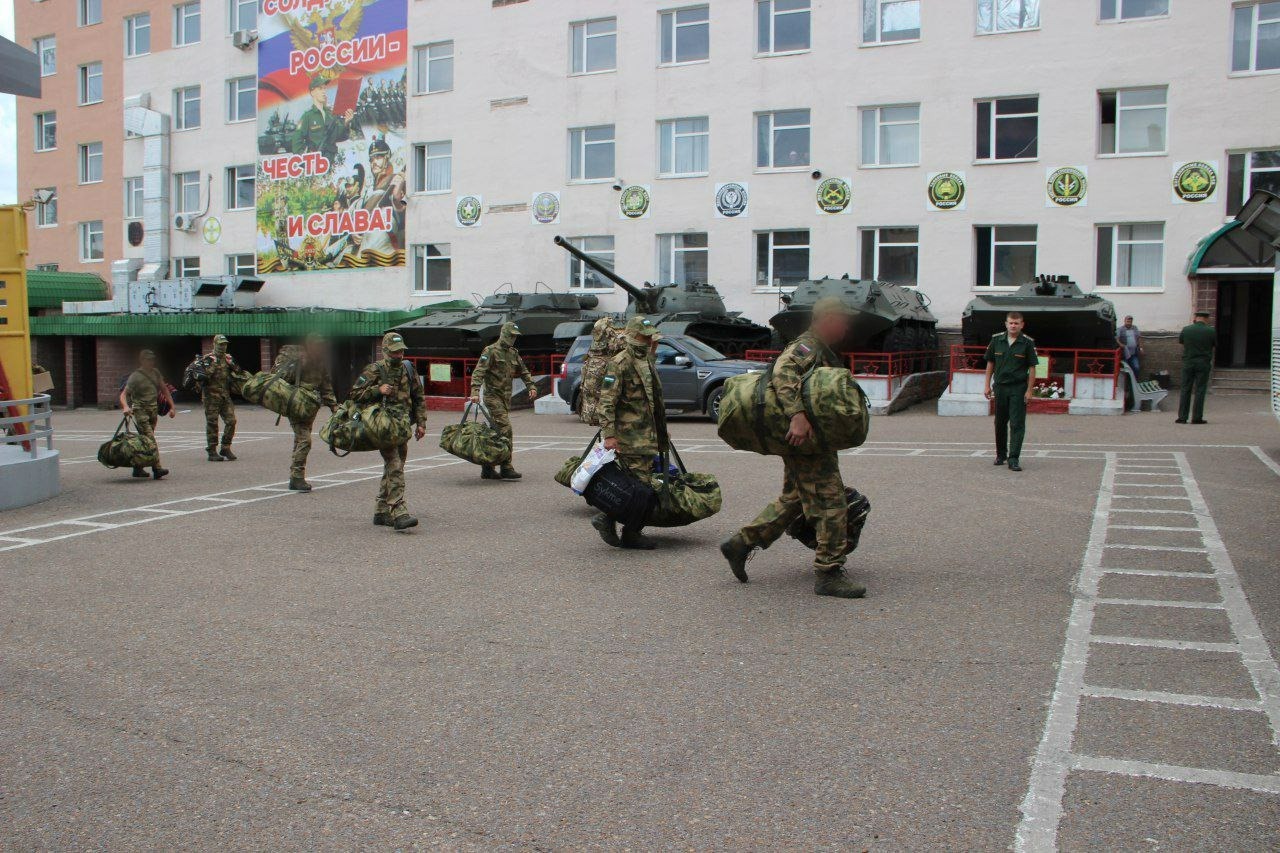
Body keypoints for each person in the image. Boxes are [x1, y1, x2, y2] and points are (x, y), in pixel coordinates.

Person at [719, 297, 866, 600]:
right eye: (843, 321)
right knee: (830, 501)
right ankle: (829, 573)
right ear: (828, 319)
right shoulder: (807, 346)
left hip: (808, 439)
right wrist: (797, 415)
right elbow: (783, 371)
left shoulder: (820, 348)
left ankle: (741, 544)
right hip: (804, 440)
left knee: (794, 498)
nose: (846, 327)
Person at [593, 317, 667, 550]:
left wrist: (661, 432)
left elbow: (653, 399)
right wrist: (609, 435)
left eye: (651, 336)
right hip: (629, 438)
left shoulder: (645, 360)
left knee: (637, 487)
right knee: (640, 488)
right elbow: (606, 402)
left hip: (647, 436)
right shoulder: (619, 363)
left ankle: (610, 520)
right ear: (634, 336)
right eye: (645, 336)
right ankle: (627, 531)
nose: (649, 340)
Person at [350, 332, 428, 531]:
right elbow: (354, 394)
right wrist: (378, 390)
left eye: (401, 351)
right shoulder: (375, 370)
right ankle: (399, 511)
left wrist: (421, 423)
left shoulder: (408, 369)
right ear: (384, 351)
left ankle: (381, 510)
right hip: (383, 427)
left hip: (402, 427)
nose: (398, 355)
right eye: (394, 352)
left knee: (395, 466)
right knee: (394, 464)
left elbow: (418, 397)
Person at [469, 322, 538, 480]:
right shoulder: (490, 351)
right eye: (511, 335)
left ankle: (487, 467)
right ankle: (506, 467)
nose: (513, 339)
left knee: (494, 432)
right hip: (492, 397)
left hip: (505, 398)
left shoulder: (513, 353)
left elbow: (524, 371)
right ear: (504, 334)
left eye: (515, 336)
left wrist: (531, 386)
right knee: (506, 429)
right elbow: (479, 372)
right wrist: (475, 391)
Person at [983, 312, 1039, 472]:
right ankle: (1001, 455)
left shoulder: (1027, 343)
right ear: (1006, 324)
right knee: (1000, 422)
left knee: (1017, 423)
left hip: (1018, 388)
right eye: (1011, 323)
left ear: (1022, 325)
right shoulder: (996, 340)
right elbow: (990, 364)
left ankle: (1013, 458)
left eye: (1016, 323)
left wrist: (1029, 390)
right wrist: (987, 385)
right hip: (1000, 387)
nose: (1013, 325)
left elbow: (1032, 368)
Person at [284, 335, 338, 491]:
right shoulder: (300, 360)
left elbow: (326, 386)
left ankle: (295, 474)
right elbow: (283, 380)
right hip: (296, 405)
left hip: (309, 407)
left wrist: (334, 406)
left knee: (300, 440)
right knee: (305, 440)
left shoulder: (320, 363)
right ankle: (297, 477)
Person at [118, 349, 173, 480]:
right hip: (140, 410)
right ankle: (157, 468)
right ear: (142, 360)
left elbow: (164, 389)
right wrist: (126, 407)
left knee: (144, 440)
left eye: (152, 359)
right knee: (150, 439)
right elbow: (123, 394)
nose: (151, 362)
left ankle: (138, 468)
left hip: (153, 410)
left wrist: (172, 407)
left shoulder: (156, 373)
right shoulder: (135, 376)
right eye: (148, 360)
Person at [291, 75, 354, 165]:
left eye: (324, 88)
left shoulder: (331, 115)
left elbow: (340, 136)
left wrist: (346, 123)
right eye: (320, 89)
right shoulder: (307, 116)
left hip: (332, 161)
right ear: (312, 92)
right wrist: (304, 161)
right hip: (316, 163)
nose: (324, 91)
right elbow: (296, 142)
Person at [578, 316, 626, 426]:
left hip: (590, 411)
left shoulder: (592, 358)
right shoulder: (607, 364)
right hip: (603, 412)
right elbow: (608, 389)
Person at [200, 334, 238, 462]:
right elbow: (204, 376)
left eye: (225, 344)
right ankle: (212, 450)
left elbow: (238, 372)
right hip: (211, 397)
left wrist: (231, 364)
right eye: (221, 344)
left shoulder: (227, 358)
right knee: (212, 423)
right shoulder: (208, 359)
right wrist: (215, 363)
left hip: (224, 396)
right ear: (214, 344)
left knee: (231, 421)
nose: (223, 347)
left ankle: (225, 447)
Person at [1176, 310, 1216, 425]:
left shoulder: (1186, 329)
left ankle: (1182, 417)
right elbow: (1214, 344)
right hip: (1203, 363)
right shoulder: (1211, 330)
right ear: (1206, 318)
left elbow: (1182, 342)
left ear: (1196, 318)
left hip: (1188, 362)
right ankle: (1197, 417)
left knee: (1185, 389)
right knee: (1200, 390)